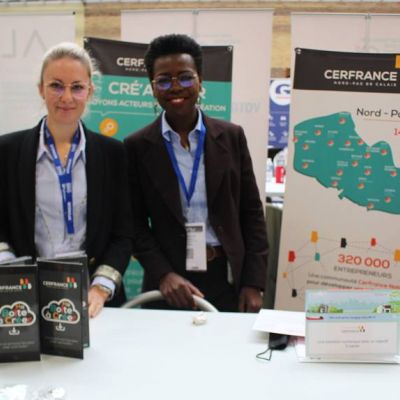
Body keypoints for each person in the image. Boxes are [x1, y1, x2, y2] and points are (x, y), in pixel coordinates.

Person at [124, 34, 268, 312]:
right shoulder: (137, 146)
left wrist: (253, 282)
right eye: (164, 80)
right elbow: (134, 224)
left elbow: (251, 212)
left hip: (226, 278)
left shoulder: (231, 136)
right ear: (152, 88)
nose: (176, 87)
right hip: (169, 284)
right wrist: (163, 274)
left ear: (200, 81)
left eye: (185, 77)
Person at [0, 42, 132, 318]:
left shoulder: (113, 154)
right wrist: (14, 277)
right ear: (41, 89)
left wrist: (101, 287)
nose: (67, 97)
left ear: (90, 91)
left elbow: (123, 233)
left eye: (77, 87)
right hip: (27, 298)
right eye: (56, 86)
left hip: (94, 299)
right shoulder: (7, 151)